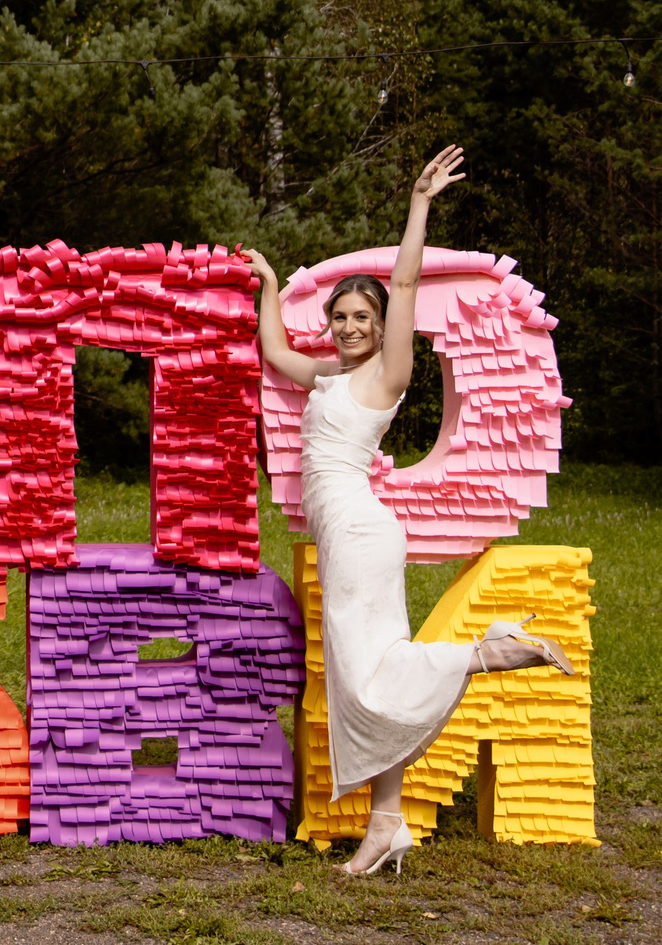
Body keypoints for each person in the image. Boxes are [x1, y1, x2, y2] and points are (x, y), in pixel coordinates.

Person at [244, 146, 574, 878]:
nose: (350, 325)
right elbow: (272, 350)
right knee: (369, 678)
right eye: (340, 315)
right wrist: (270, 284)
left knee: (365, 678)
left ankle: (493, 650)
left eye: (363, 315)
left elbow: (405, 276)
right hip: (348, 538)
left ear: (382, 322)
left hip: (362, 534)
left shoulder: (387, 376)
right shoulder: (329, 374)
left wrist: (420, 202)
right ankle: (387, 824)